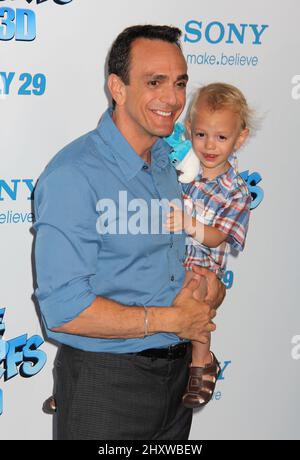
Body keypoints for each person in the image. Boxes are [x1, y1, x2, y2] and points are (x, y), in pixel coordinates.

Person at [33, 25, 225, 440]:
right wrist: (171, 318)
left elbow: (157, 272)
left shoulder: (164, 162)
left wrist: (204, 291)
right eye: (154, 82)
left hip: (175, 383)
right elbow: (63, 309)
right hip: (106, 386)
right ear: (117, 88)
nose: (173, 99)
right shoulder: (74, 174)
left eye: (179, 83)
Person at [165, 83, 252, 408]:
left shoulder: (235, 190)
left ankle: (202, 362)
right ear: (188, 131)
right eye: (201, 135)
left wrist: (189, 223)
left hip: (202, 266)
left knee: (198, 300)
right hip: (167, 259)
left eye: (221, 137)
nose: (209, 145)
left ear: (239, 138)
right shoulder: (178, 170)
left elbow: (217, 235)